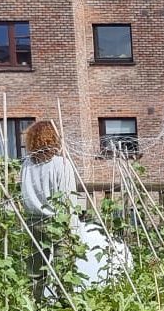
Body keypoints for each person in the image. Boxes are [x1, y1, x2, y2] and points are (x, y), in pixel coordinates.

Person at [19, 120, 132, 290]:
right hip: (57, 223)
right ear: (53, 139)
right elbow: (68, 199)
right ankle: (64, 308)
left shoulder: (26, 165)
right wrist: (73, 229)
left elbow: (24, 193)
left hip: (32, 222)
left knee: (35, 272)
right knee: (64, 270)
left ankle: (35, 308)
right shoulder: (60, 164)